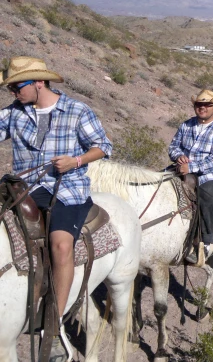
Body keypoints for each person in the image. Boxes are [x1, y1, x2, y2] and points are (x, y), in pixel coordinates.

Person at [0, 56, 113, 360]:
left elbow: (104, 146)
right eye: (10, 88)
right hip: (24, 189)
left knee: (61, 245)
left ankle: (52, 328)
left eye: (16, 86)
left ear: (39, 82)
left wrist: (76, 161)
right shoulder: (14, 113)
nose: (13, 93)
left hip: (68, 190)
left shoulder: (76, 110)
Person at [168, 89, 213, 265]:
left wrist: (191, 167)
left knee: (207, 197)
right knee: (158, 183)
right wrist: (178, 156)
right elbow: (174, 146)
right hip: (183, 169)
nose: (202, 107)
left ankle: (205, 241)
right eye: (199, 104)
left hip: (210, 174)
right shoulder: (186, 125)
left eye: (207, 105)